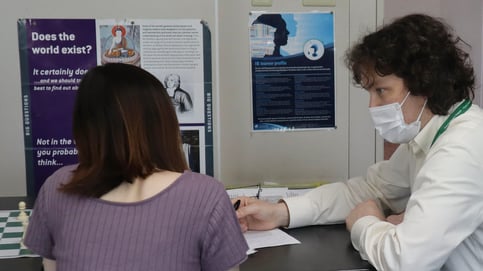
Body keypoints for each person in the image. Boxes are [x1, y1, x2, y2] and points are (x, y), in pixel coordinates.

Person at [235, 13, 483, 271]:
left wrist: (365, 222)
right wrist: (282, 212)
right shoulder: (430, 133)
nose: (372, 106)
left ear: (424, 83)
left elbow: (404, 260)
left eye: (381, 91)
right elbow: (369, 190)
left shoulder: (461, 148)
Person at [24, 63, 248, 271]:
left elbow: (51, 266)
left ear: (84, 126)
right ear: (164, 122)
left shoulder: (58, 185)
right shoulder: (207, 195)